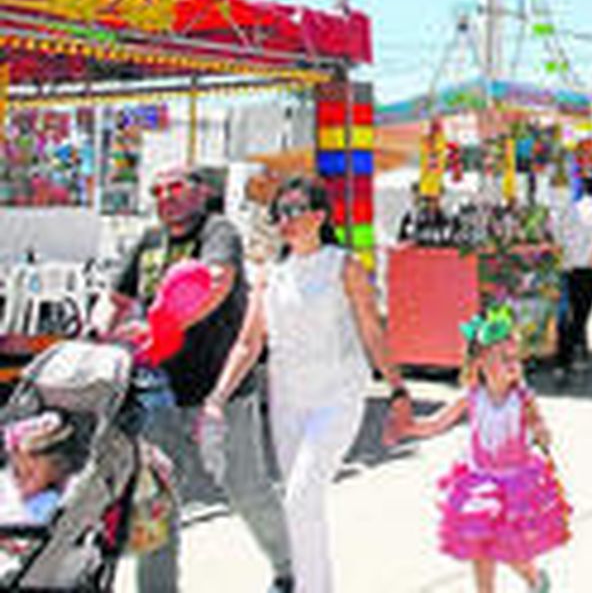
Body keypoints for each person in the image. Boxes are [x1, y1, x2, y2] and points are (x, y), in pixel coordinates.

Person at [205, 176, 412, 593]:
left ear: (320, 216)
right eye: (280, 213)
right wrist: (217, 397)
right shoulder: (269, 275)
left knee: (301, 496)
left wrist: (397, 390)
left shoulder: (344, 265)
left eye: (296, 210)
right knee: (300, 505)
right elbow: (249, 343)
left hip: (337, 393)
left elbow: (372, 331)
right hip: (288, 399)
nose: (287, 220)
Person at [91, 166, 293, 593]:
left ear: (202, 192)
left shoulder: (218, 233)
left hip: (222, 392)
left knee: (246, 488)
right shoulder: (147, 242)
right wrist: (97, 334)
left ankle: (290, 566)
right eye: (158, 190)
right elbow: (114, 301)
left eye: (176, 188)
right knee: (156, 501)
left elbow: (217, 283)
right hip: (156, 394)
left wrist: (165, 327)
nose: (166, 197)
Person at [385, 308, 569, 593]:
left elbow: (538, 425)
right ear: (481, 363)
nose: (513, 365)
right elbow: (436, 423)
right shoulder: (471, 396)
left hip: (515, 484)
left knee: (513, 552)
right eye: (504, 359)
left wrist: (542, 433)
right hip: (479, 483)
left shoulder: (522, 397)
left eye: (515, 359)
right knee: (480, 550)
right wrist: (408, 428)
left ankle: (534, 578)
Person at [553, 177, 592, 386]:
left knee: (571, 312)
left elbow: (558, 236)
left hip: (570, 267)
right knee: (581, 315)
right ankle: (568, 357)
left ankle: (568, 356)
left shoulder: (572, 212)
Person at [0, 412, 81, 526]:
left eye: (30, 474)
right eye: (16, 472)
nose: (18, 482)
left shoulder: (70, 493)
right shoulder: (12, 497)